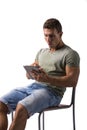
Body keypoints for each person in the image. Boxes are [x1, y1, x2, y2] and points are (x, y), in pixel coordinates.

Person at [0, 18, 80, 130]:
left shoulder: (70, 54)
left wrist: (47, 79)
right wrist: (30, 73)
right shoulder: (42, 52)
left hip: (52, 93)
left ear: (60, 34)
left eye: (51, 36)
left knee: (21, 107)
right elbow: (30, 74)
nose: (48, 39)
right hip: (32, 88)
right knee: (1, 104)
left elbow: (72, 81)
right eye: (45, 35)